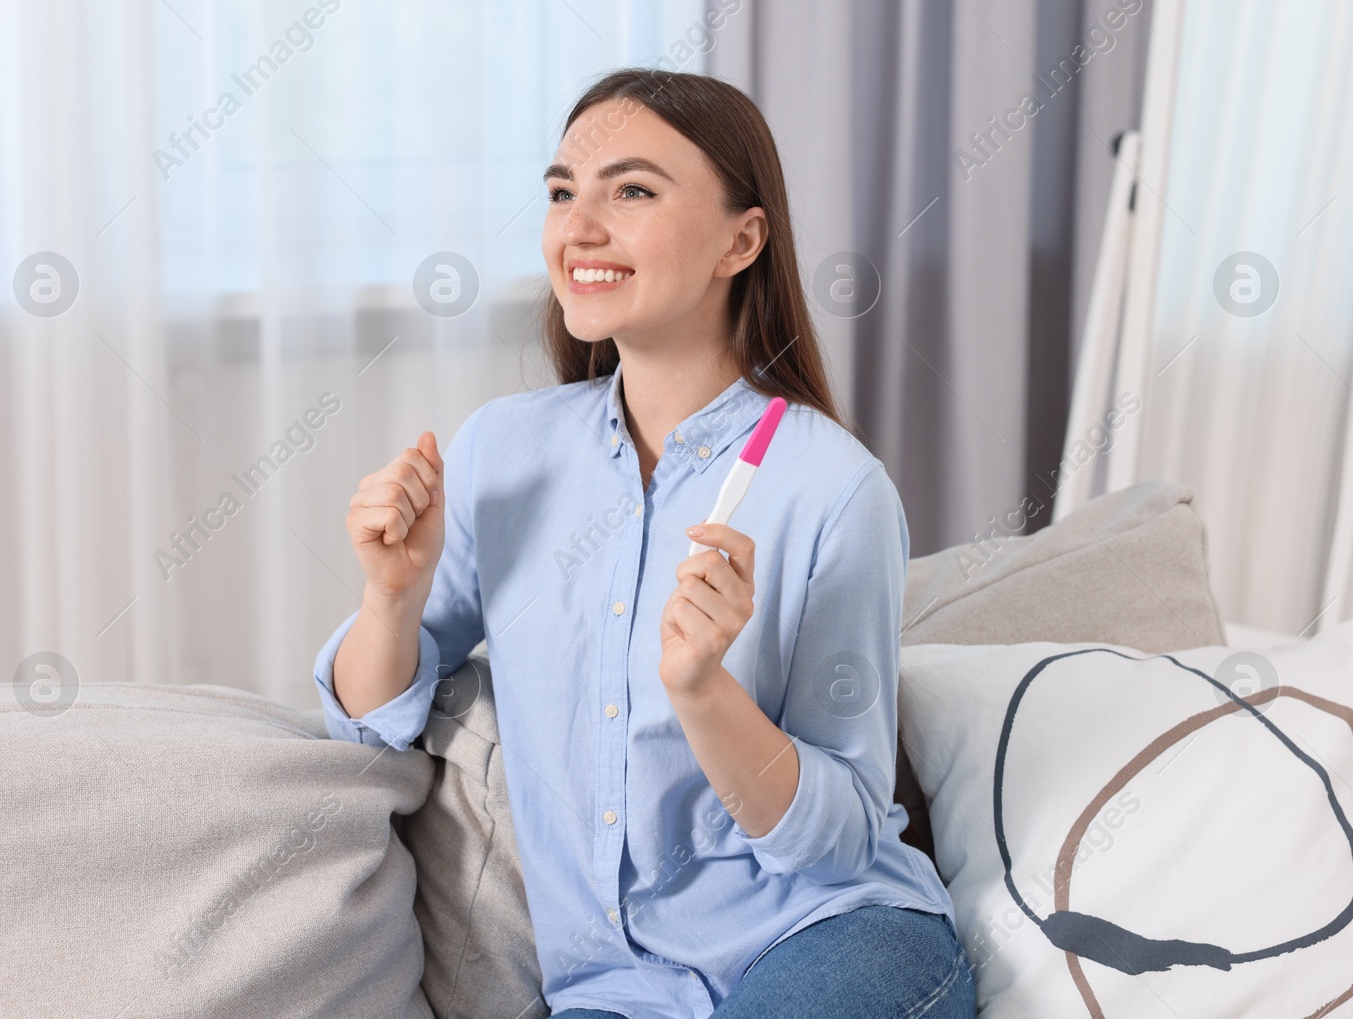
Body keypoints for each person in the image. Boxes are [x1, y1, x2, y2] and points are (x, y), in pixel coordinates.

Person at [312, 67, 975, 1019]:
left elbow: (839, 839)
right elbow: (373, 725)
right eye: (560, 193)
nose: (579, 227)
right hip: (615, 991)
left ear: (741, 240)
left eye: (630, 191)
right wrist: (392, 598)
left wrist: (705, 692)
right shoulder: (505, 451)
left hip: (833, 936)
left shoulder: (833, 489)